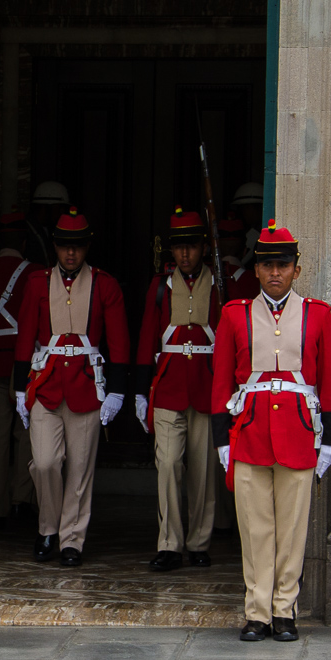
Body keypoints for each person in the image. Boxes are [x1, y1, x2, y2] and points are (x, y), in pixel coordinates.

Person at [211, 221, 331, 642]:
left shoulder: (318, 314)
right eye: (267, 265)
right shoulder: (235, 314)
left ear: (296, 270)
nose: (274, 273)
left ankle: (285, 610)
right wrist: (221, 440)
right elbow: (221, 383)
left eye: (282, 265)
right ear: (256, 270)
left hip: (299, 433)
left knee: (292, 530)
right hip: (249, 434)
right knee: (255, 530)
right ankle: (257, 612)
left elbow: (330, 380)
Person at [12, 207, 130, 567]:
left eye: (77, 246)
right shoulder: (37, 282)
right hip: (45, 385)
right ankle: (48, 527)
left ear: (87, 246)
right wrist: (18, 388)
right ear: (55, 246)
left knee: (79, 469)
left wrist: (117, 390)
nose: (71, 253)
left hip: (86, 386)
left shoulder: (105, 284)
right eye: (65, 245)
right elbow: (25, 336)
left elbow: (119, 341)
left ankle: (71, 540)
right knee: (45, 463)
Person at [135, 207, 223, 571]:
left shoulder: (219, 283)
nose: (185, 254)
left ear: (204, 247)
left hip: (206, 385)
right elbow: (147, 339)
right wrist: (140, 390)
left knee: (203, 471)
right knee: (168, 465)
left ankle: (199, 541)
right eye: (179, 247)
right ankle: (169, 544)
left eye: (192, 246)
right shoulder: (160, 286)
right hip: (169, 386)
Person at [0, 209, 41, 528]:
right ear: (24, 242)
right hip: (25, 362)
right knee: (26, 432)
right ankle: (21, 500)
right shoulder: (36, 273)